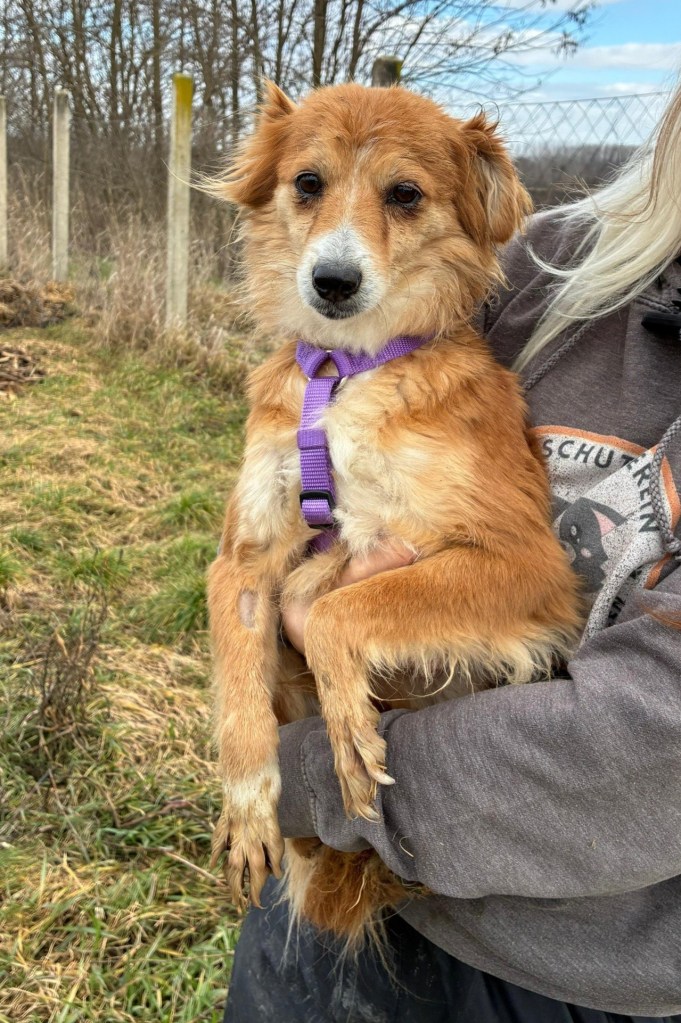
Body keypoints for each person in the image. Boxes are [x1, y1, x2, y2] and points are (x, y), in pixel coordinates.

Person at [222, 82, 681, 1022]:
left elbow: (646, 731)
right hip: (329, 886)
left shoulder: (469, 305)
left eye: (401, 197)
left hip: (574, 972)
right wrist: (249, 754)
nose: (341, 242)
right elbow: (247, 569)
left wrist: (321, 702)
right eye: (309, 185)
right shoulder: (546, 264)